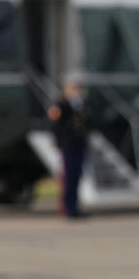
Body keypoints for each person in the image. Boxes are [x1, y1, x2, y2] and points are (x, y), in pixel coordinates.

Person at [48, 79, 90, 219]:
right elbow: (56, 124)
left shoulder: (81, 105)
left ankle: (74, 207)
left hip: (79, 145)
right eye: (72, 88)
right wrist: (57, 142)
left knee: (77, 177)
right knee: (68, 178)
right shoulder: (61, 105)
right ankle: (68, 208)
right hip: (68, 146)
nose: (75, 91)